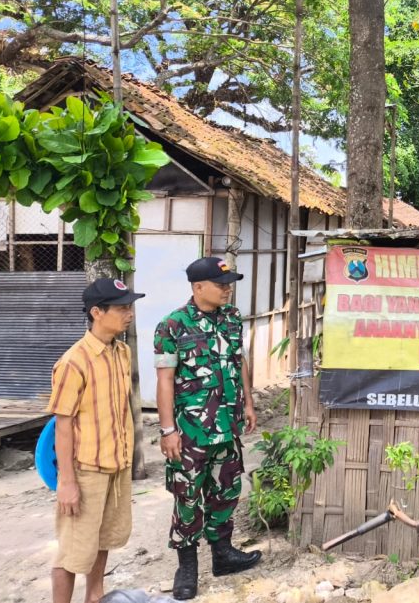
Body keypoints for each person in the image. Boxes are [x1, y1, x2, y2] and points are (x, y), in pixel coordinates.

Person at [155, 256, 261, 600]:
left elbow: (238, 361)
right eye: (220, 284)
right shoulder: (172, 325)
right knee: (188, 498)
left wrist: (247, 403)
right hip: (190, 432)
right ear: (198, 287)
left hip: (227, 427)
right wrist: (167, 429)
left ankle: (223, 555)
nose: (227, 289)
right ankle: (186, 567)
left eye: (229, 283)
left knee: (226, 491)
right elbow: (164, 380)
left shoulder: (231, 319)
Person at [48, 278, 145, 603]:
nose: (129, 313)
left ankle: (95, 596)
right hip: (86, 471)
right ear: (96, 312)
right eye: (121, 308)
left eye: (129, 306)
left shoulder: (122, 351)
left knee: (103, 539)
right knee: (73, 552)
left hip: (116, 466)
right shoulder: (73, 362)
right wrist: (67, 482)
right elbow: (63, 426)